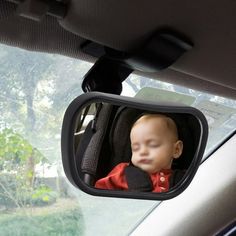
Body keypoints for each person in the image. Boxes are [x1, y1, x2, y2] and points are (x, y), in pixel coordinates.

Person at [95, 114, 184, 192]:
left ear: (176, 149)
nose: (142, 152)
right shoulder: (123, 173)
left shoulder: (185, 179)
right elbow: (98, 195)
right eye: (136, 148)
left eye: (153, 145)